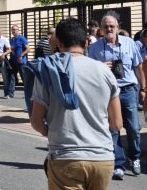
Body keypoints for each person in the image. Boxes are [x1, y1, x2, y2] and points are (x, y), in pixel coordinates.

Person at [29, 18, 122, 190]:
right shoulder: (105, 71)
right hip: (102, 157)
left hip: (65, 155)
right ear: (87, 42)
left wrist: (50, 132)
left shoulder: (48, 69)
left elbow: (36, 121)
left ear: (59, 43)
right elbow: (116, 123)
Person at [88, 14, 145, 180]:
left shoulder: (130, 43)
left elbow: (138, 66)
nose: (109, 29)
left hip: (128, 90)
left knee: (133, 128)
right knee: (113, 129)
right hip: (108, 92)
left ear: (118, 27)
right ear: (101, 29)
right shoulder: (95, 48)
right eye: (105, 26)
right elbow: (90, 71)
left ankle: (134, 157)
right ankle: (119, 164)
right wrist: (100, 67)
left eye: (112, 26)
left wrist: (143, 88)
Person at [5, 25, 30, 99]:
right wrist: (11, 51)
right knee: (12, 76)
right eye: (12, 30)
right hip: (13, 61)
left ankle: (28, 93)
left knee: (24, 78)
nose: (13, 31)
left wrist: (21, 55)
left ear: (18, 30)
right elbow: (10, 48)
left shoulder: (22, 38)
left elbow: (28, 49)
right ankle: (10, 94)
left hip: (21, 62)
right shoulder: (12, 40)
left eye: (14, 29)